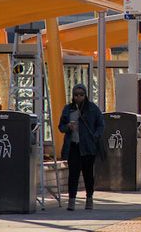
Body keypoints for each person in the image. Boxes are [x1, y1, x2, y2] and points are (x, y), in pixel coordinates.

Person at [58, 83, 104, 211]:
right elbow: (61, 126)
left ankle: (89, 199)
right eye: (76, 95)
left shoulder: (92, 109)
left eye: (81, 95)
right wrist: (68, 127)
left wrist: (95, 136)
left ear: (85, 95)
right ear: (73, 96)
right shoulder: (68, 109)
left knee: (88, 174)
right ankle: (71, 200)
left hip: (88, 147)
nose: (79, 97)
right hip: (73, 146)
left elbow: (101, 124)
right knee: (73, 175)